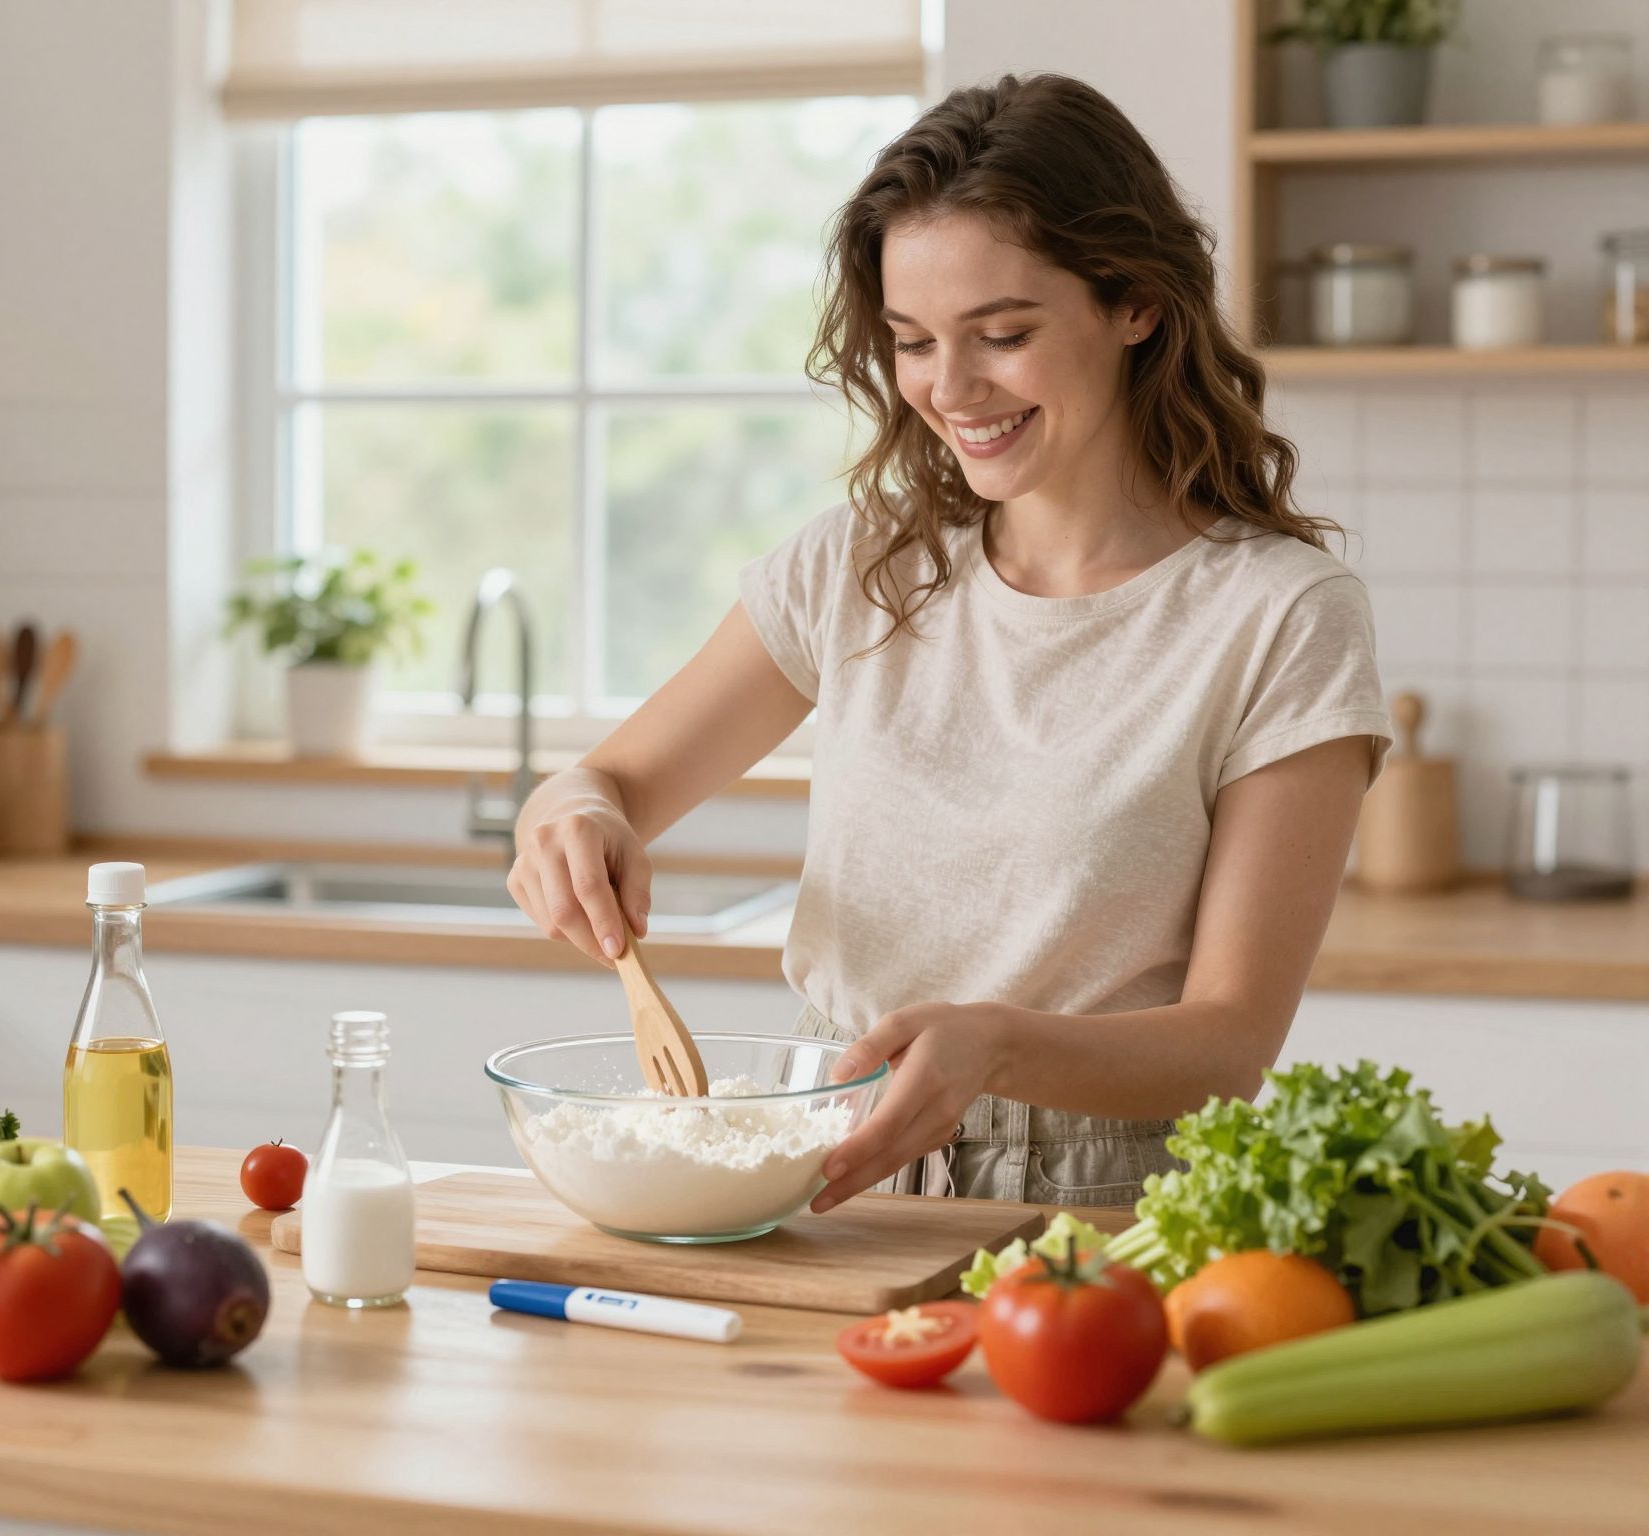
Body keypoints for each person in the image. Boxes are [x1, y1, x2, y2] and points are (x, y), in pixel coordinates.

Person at [506, 74, 1391, 1211]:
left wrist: (994, 1047)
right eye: (912, 342)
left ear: (1135, 303)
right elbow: (607, 784)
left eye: (1003, 335)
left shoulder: (1279, 615)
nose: (950, 388)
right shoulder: (858, 566)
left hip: (1099, 1196)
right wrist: (573, 816)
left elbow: (1228, 1043)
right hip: (823, 1151)